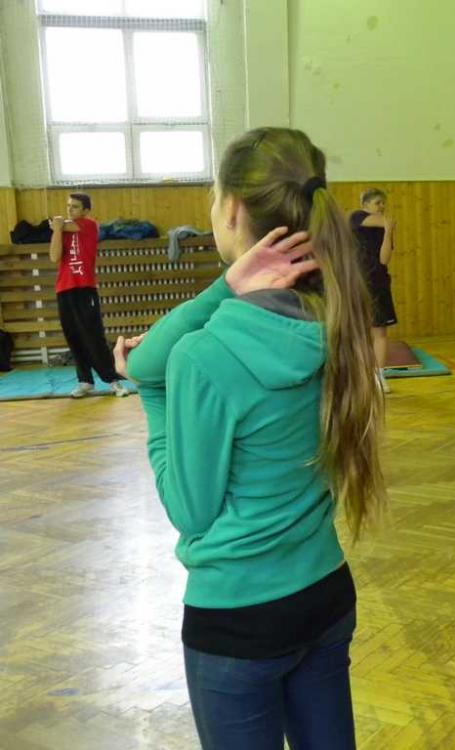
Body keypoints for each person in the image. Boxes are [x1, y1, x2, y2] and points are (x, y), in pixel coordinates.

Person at [115, 127, 386, 750]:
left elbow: (190, 511)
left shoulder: (204, 354)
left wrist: (152, 397)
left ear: (232, 208)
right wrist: (227, 287)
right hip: (324, 593)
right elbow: (155, 357)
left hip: (238, 621)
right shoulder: (335, 319)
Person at [48, 193, 129, 398]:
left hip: (85, 289)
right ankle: (85, 381)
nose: (70, 209)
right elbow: (54, 257)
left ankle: (113, 380)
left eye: (75, 206)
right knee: (73, 336)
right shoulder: (62, 230)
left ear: (85, 210)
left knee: (93, 336)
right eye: (68, 206)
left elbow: (68, 225)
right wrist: (56, 230)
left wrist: (57, 224)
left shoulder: (89, 225)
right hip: (64, 290)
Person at [349, 188, 398, 393]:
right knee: (359, 331)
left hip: (378, 284)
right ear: (365, 205)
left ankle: (379, 376)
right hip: (358, 283)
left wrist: (388, 232)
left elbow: (384, 259)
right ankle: (358, 375)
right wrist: (387, 222)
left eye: (383, 203)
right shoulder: (356, 217)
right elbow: (383, 220)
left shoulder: (383, 228)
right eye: (378, 203)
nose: (382, 206)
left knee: (380, 331)